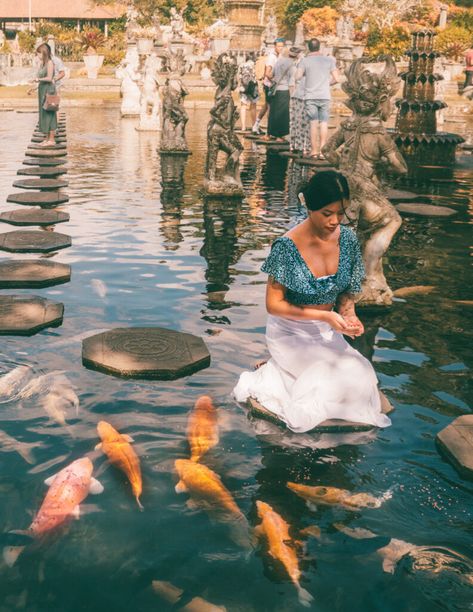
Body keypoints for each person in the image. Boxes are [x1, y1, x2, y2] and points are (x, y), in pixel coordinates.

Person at [233, 170, 391, 433]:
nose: (335, 221)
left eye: (341, 213)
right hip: (289, 332)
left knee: (359, 372)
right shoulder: (287, 247)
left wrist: (349, 317)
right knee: (327, 380)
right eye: (327, 213)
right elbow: (274, 305)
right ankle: (277, 367)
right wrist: (324, 316)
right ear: (309, 206)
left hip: (325, 331)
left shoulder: (348, 240)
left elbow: (345, 295)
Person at [296, 38, 339, 159]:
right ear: (320, 47)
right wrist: (327, 84)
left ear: (309, 48)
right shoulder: (329, 60)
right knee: (324, 122)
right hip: (325, 96)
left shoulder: (305, 61)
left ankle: (314, 151)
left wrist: (305, 73)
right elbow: (337, 78)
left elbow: (298, 76)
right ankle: (322, 151)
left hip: (311, 96)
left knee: (313, 123)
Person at [252, 37, 285, 135]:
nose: (280, 48)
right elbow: (267, 73)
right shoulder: (272, 57)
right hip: (270, 85)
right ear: (275, 46)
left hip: (272, 85)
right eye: (279, 46)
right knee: (271, 108)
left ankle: (256, 125)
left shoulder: (279, 56)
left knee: (266, 106)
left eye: (282, 46)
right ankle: (270, 131)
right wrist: (276, 81)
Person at [266, 46, 295, 142]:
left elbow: (270, 75)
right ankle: (279, 135)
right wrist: (293, 96)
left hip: (275, 90)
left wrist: (274, 81)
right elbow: (292, 82)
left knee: (273, 112)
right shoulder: (291, 64)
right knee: (282, 113)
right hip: (284, 90)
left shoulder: (278, 62)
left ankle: (270, 134)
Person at [33, 43, 58, 147]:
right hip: (42, 89)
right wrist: (33, 87)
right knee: (43, 113)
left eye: (39, 53)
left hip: (48, 90)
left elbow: (49, 78)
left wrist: (38, 79)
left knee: (49, 113)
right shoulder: (43, 63)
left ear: (44, 53)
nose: (37, 56)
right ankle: (46, 138)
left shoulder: (50, 63)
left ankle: (51, 139)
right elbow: (42, 80)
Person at [289, 47, 310, 155]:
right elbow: (293, 81)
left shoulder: (299, 64)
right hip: (300, 95)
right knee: (301, 121)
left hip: (299, 95)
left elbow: (293, 81)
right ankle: (300, 145)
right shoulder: (297, 64)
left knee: (299, 121)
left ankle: (298, 145)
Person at [238, 53, 259, 131]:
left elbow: (238, 77)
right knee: (253, 106)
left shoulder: (241, 65)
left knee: (243, 106)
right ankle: (254, 126)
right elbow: (258, 75)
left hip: (243, 87)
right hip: (253, 86)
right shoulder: (254, 65)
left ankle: (243, 127)